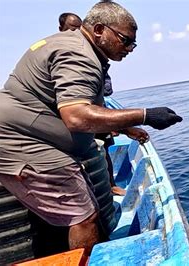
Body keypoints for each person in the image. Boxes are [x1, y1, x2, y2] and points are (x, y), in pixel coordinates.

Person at [0, 0, 182, 259]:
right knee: (84, 215)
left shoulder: (72, 45)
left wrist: (128, 128)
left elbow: (88, 103)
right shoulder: (79, 55)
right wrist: (146, 115)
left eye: (133, 43)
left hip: (21, 132)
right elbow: (76, 116)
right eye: (125, 40)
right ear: (98, 30)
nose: (130, 48)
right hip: (19, 140)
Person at [58, 12, 128, 196]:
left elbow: (102, 91)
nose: (75, 32)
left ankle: (110, 184)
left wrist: (110, 122)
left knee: (104, 146)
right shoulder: (66, 54)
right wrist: (141, 119)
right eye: (71, 29)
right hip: (74, 115)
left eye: (78, 28)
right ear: (61, 29)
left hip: (95, 107)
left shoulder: (93, 56)